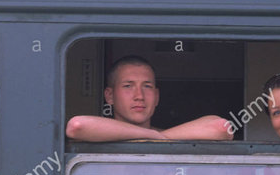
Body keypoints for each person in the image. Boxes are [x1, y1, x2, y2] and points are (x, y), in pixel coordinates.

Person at [66, 55, 232, 142]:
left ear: (157, 96)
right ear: (110, 96)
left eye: (147, 86)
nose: (139, 96)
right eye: (128, 86)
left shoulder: (163, 134)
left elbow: (221, 127)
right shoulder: (99, 132)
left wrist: (158, 136)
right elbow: (77, 126)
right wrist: (155, 137)